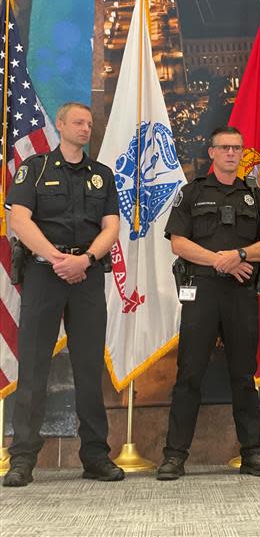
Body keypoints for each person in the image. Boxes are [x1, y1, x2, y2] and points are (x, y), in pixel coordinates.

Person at [3, 102, 123, 487]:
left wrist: (85, 259)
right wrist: (56, 258)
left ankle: (95, 456)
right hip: (44, 273)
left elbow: (111, 227)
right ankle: (22, 458)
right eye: (78, 122)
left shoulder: (101, 176)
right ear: (60, 125)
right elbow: (18, 219)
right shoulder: (34, 169)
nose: (86, 128)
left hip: (86, 275)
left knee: (89, 368)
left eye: (90, 123)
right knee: (34, 367)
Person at [156, 126, 260, 481]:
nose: (231, 153)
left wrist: (239, 254)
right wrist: (219, 260)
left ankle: (253, 454)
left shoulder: (254, 195)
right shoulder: (193, 193)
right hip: (202, 291)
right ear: (211, 152)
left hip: (240, 294)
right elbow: (178, 243)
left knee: (243, 376)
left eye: (237, 148)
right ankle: (174, 456)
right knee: (189, 374)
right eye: (224, 147)